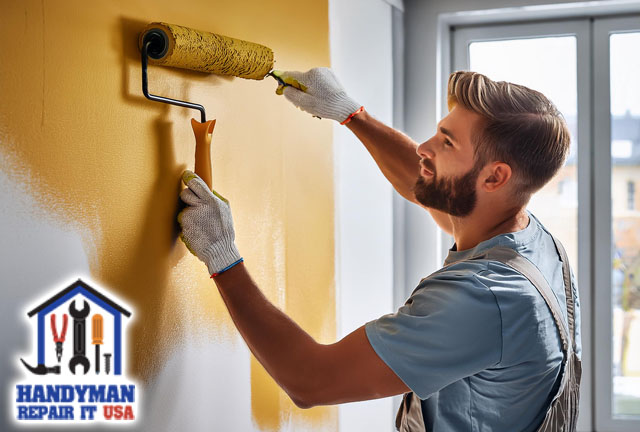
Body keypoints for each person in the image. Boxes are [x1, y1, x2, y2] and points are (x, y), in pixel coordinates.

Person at [177, 68, 582, 431]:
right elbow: (427, 186)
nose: (425, 147)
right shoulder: (530, 238)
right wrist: (352, 114)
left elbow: (310, 380)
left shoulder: (485, 298)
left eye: (446, 142)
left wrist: (222, 255)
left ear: (495, 176)